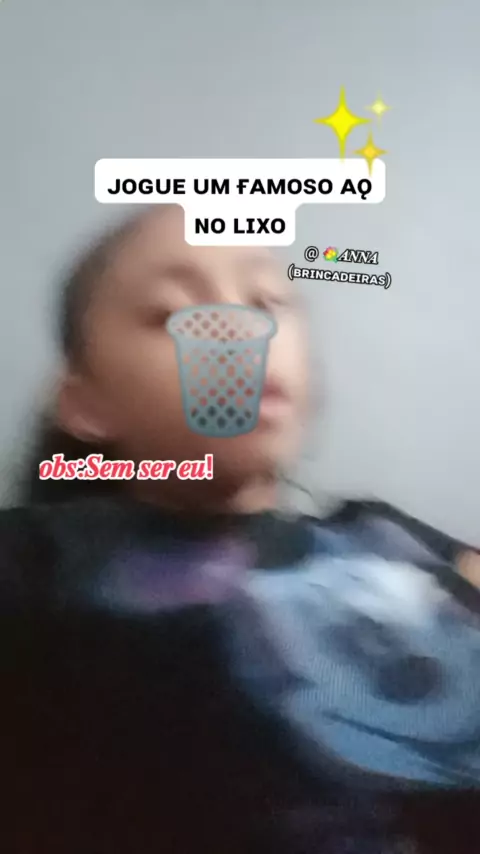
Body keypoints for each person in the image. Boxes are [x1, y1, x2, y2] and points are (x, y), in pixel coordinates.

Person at [2, 204, 480, 854]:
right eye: (171, 311)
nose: (239, 327)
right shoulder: (41, 558)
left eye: (267, 300)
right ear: (87, 403)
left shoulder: (385, 533)